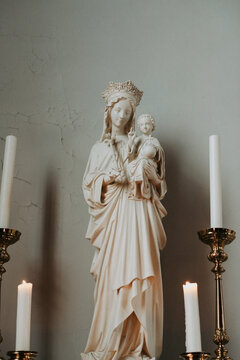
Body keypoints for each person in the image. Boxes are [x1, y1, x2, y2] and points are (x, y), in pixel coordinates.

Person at [82, 81, 167, 360]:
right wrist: (109, 178)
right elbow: (89, 186)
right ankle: (111, 344)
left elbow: (157, 179)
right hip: (115, 222)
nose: (122, 117)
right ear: (109, 112)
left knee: (142, 272)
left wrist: (146, 165)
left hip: (139, 213)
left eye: (128, 112)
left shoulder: (143, 143)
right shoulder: (98, 148)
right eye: (118, 111)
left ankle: (138, 346)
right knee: (115, 278)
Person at [127, 114, 166, 203]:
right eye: (142, 124)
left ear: (152, 125)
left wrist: (155, 149)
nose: (144, 126)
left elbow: (159, 159)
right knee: (134, 165)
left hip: (150, 165)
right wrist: (131, 141)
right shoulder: (137, 139)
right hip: (138, 164)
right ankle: (137, 188)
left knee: (143, 163)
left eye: (147, 124)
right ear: (139, 127)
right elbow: (131, 157)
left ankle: (144, 189)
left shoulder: (154, 141)